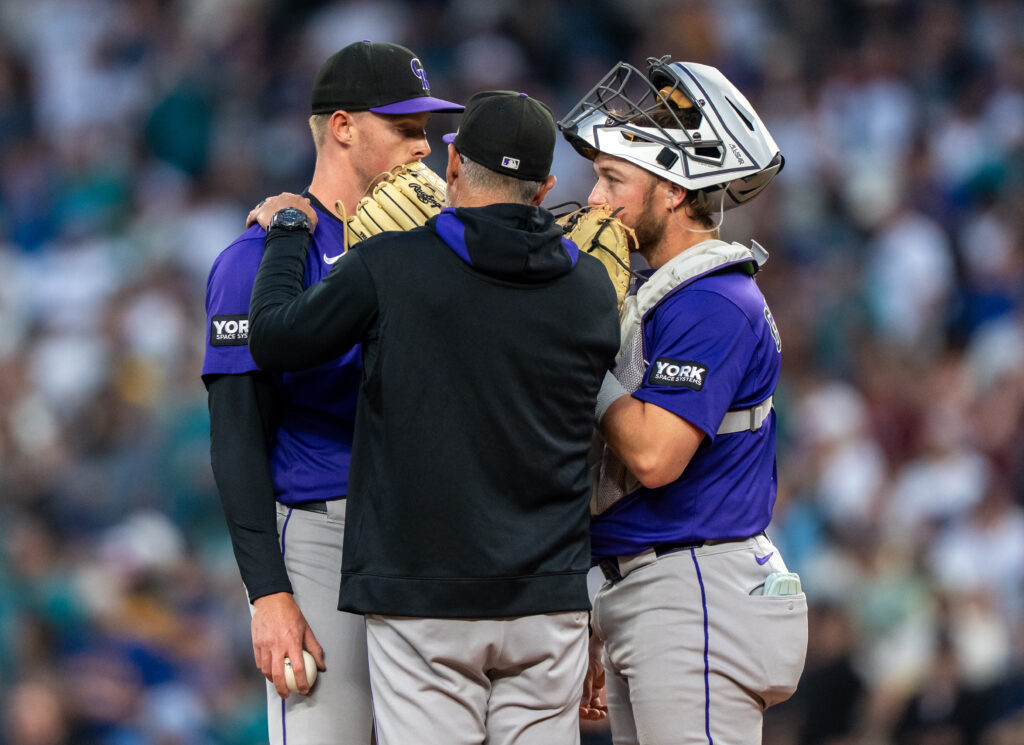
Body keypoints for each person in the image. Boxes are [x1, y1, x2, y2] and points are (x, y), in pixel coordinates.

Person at [246, 90, 620, 745]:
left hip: (425, 595)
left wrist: (286, 234)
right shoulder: (590, 286)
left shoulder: (390, 265)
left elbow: (275, 339)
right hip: (547, 597)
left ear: (453, 165)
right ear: (547, 187)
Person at [201, 40, 461, 745]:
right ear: (343, 127)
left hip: (433, 539)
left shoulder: (446, 252)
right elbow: (235, 437)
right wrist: (268, 593)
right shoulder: (260, 259)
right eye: (405, 128)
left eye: (428, 131)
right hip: (322, 535)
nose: (424, 146)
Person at [557, 56, 809, 745]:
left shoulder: (712, 299)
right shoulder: (666, 290)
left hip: (693, 589)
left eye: (613, 177)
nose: (595, 198)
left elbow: (655, 454)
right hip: (655, 586)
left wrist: (579, 353)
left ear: (671, 190)